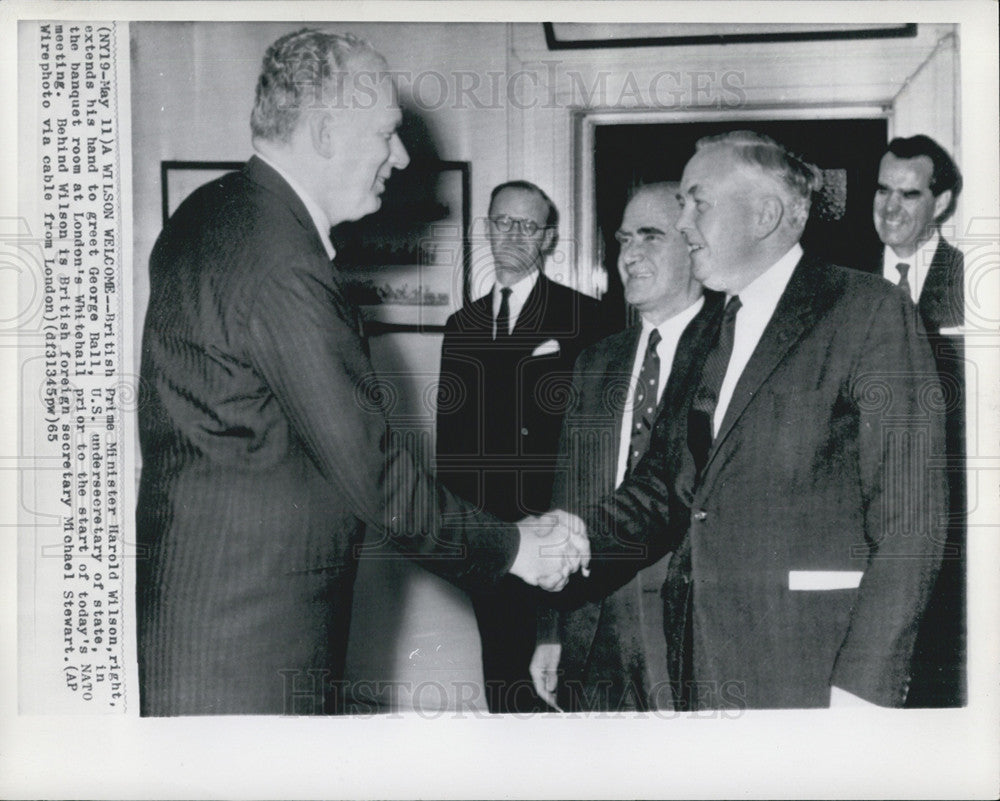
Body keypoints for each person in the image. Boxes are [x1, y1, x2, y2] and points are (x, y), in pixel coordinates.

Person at [135, 29, 587, 716]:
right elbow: (379, 480)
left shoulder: (213, 212)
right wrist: (517, 547)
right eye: (385, 134)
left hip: (211, 629)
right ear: (322, 132)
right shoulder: (284, 263)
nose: (400, 157)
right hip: (251, 648)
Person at [565, 130, 946, 709]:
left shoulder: (867, 311)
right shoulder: (708, 331)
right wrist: (568, 540)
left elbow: (910, 521)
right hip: (701, 664)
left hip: (814, 666)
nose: (684, 220)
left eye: (698, 201)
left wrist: (865, 686)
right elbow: (667, 484)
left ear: (765, 214)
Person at [530, 184, 721, 711]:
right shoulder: (595, 362)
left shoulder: (728, 349)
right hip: (594, 618)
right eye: (622, 240)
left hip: (685, 618)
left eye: (651, 237)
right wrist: (550, 626)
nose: (630, 255)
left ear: (692, 244)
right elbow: (567, 492)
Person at [435, 180, 608, 713]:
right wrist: (464, 539)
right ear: (486, 228)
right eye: (501, 222)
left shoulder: (586, 317)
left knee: (559, 689)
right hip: (491, 539)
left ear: (548, 238)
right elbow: (451, 444)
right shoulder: (461, 327)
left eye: (526, 225)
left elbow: (595, 440)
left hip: (557, 533)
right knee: (503, 685)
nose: (511, 234)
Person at [873, 134, 966, 706]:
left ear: (944, 202)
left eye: (909, 194)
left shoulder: (977, 283)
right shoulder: (835, 277)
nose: (889, 209)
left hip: (943, 519)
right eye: (882, 190)